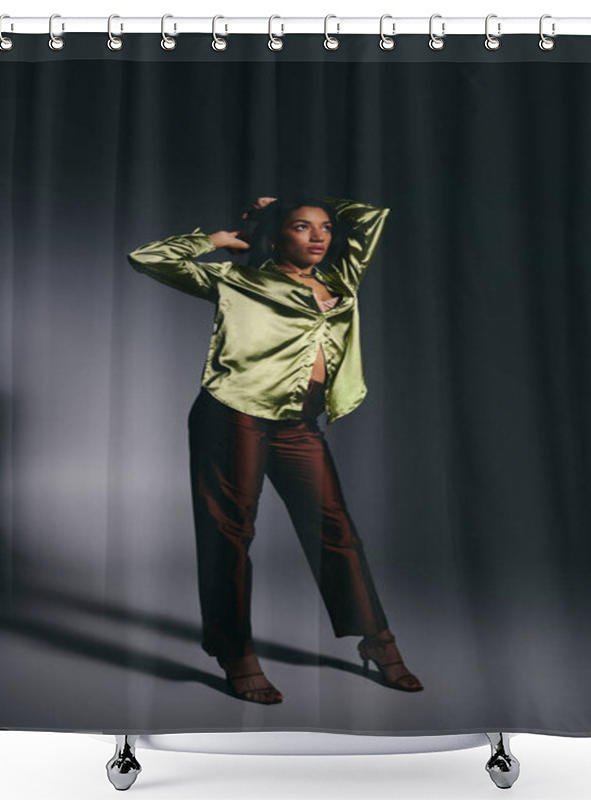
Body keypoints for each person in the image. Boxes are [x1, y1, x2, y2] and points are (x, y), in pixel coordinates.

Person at [127, 195, 423, 704]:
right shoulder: (239, 280)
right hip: (234, 413)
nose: (318, 236)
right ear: (276, 234)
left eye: (325, 228)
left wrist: (308, 203)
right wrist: (214, 241)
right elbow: (149, 258)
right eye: (301, 227)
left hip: (298, 422)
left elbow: (370, 217)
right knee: (231, 532)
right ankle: (234, 651)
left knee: (335, 529)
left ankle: (378, 640)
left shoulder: (341, 281)